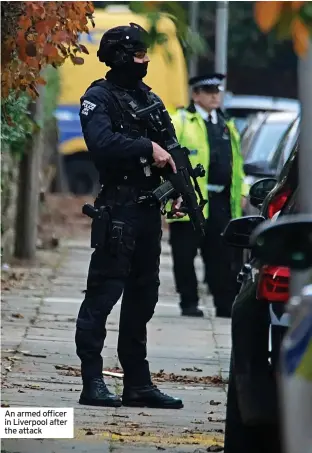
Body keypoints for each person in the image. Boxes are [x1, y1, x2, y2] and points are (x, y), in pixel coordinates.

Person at [75, 23, 184, 409]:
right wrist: (145, 146)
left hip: (148, 211)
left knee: (144, 296)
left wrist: (177, 191)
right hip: (118, 210)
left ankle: (138, 382)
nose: (146, 61)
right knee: (103, 295)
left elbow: (171, 149)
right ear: (121, 57)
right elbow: (101, 144)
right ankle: (92, 381)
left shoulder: (149, 98)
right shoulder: (98, 98)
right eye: (139, 55)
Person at [168, 74, 248, 318]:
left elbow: (238, 164)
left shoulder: (227, 125)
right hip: (189, 199)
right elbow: (167, 160)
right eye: (208, 90)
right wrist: (173, 194)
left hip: (221, 201)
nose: (215, 95)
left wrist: (242, 192)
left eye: (217, 91)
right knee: (184, 254)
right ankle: (189, 302)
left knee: (221, 256)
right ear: (196, 95)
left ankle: (224, 305)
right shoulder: (182, 121)